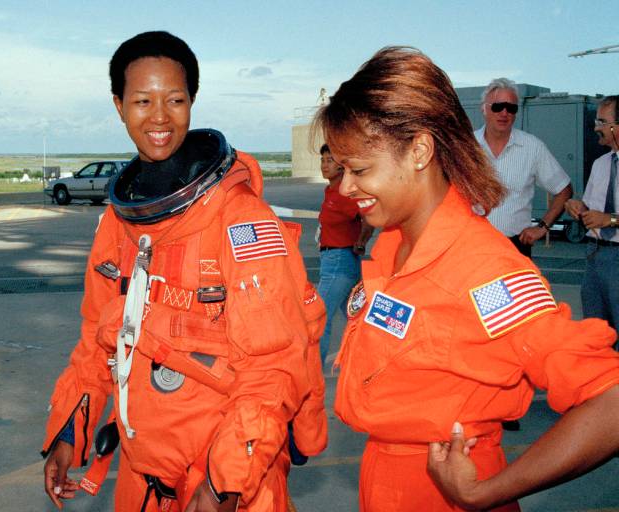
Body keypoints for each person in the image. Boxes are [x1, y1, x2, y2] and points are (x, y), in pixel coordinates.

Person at [313, 46, 619, 512]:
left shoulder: (489, 273)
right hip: (382, 480)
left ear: (419, 150)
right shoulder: (393, 242)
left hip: (443, 491)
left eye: (359, 170)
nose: (345, 188)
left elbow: (611, 403)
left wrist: (486, 491)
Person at [41, 31, 326, 512]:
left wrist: (221, 484)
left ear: (192, 100)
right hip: (140, 481)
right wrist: (68, 433)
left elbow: (275, 366)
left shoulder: (242, 220)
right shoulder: (119, 220)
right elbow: (99, 337)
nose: (159, 117)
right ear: (118, 105)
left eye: (175, 100)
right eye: (142, 101)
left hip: (227, 486)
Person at [476, 78, 572, 258]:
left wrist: (542, 227)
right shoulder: (466, 146)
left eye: (511, 108)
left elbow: (564, 190)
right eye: (498, 106)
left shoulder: (532, 147)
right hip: (471, 247)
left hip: (514, 249)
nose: (504, 113)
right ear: (484, 108)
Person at [565, 95, 619, 336]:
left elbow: (606, 218)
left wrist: (611, 219)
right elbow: (591, 210)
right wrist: (578, 209)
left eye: (601, 121)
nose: (596, 127)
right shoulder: (600, 164)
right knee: (595, 333)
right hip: (594, 256)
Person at [317, 143, 373, 365]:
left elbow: (367, 215)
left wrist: (361, 241)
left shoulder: (343, 193)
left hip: (340, 261)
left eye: (329, 161)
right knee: (356, 316)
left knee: (320, 316)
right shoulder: (330, 190)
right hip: (334, 261)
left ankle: (313, 371)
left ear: (341, 166)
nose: (324, 165)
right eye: (322, 160)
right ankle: (366, 363)